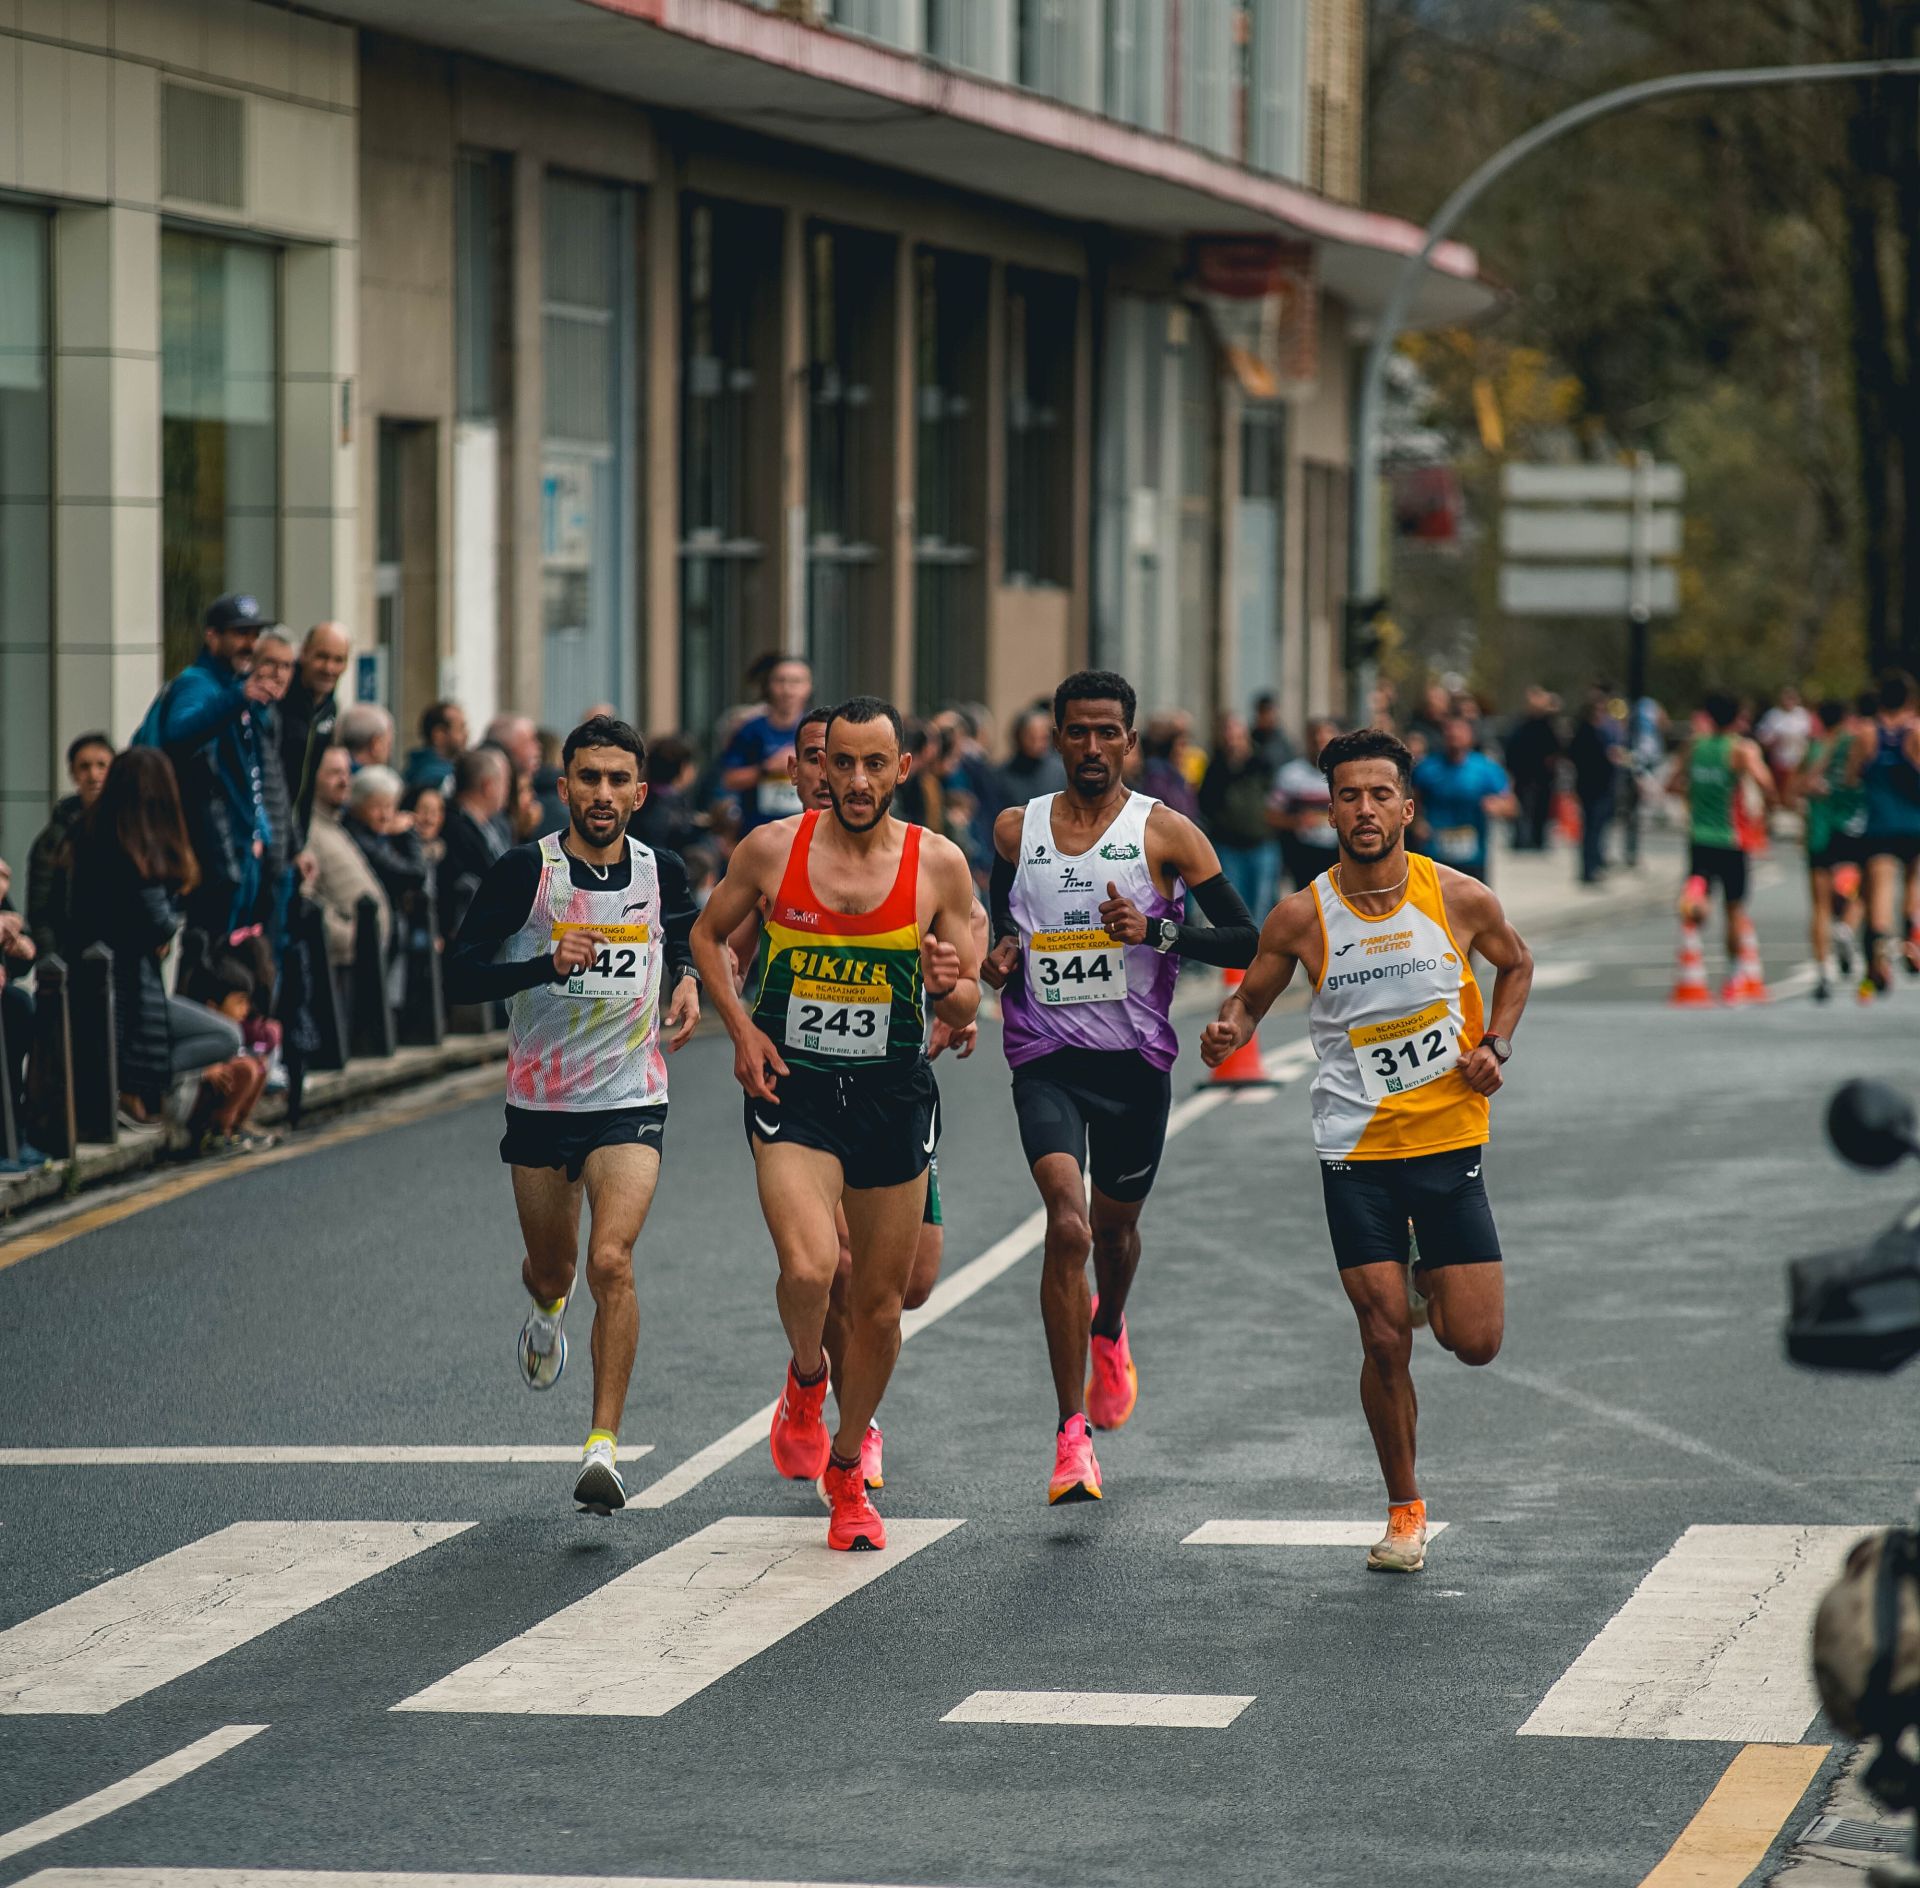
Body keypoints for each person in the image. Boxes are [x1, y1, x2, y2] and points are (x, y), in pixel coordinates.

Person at [1202, 727, 1533, 1574]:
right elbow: (1252, 998)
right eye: (1348, 795)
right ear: (1330, 810)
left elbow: (1517, 964)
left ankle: (1429, 1278)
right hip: (1355, 1150)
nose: (1364, 809)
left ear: (1407, 808)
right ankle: (1404, 1510)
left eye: (1380, 794)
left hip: (1449, 1141)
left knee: (1475, 1341)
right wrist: (1228, 1027)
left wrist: (1495, 1044)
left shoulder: (1458, 897)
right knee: (1384, 1337)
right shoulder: (1301, 916)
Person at [691, 696, 981, 1553]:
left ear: (902, 770)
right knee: (812, 1268)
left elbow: (968, 998)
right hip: (798, 1091)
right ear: (818, 766)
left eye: (873, 765)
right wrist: (742, 1030)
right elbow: (706, 937)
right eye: (840, 762)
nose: (855, 780)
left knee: (885, 1307)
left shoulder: (938, 865)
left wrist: (948, 984)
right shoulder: (772, 850)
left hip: (892, 1098)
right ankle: (807, 1378)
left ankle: (849, 1467)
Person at [982, 671, 1259, 1505]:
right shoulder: (1016, 829)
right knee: (1066, 1227)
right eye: (1078, 731)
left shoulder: (1167, 833)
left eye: (1109, 732)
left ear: (1131, 742)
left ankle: (1109, 1325)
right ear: (1057, 736)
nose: (1093, 747)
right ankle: (1072, 1436)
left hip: (1135, 1066)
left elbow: (1243, 935)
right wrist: (1001, 952)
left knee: (1114, 1233)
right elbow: (1003, 918)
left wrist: (1158, 930)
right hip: (1046, 1060)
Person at [445, 715, 702, 1515]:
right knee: (555, 1269)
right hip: (541, 1102)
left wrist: (690, 979)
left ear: (639, 793)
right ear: (563, 788)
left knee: (612, 1261)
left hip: (630, 1095)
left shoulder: (662, 870)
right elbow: (458, 974)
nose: (602, 793)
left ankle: (602, 1447)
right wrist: (541, 965)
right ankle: (545, 1308)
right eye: (588, 778)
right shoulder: (527, 871)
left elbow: (686, 933)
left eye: (617, 780)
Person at [67, 748, 244, 1129]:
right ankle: (144, 1083)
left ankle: (140, 1086)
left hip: (116, 979)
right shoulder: (137, 852)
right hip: (132, 982)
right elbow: (158, 922)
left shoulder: (88, 834)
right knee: (225, 1035)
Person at [139, 592, 278, 955]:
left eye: (254, 634)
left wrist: (261, 830)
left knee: (235, 954)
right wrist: (236, 698)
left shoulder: (235, 687)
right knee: (209, 953)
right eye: (239, 633)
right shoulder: (198, 683)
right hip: (211, 851)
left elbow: (250, 770)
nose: (249, 643)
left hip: (239, 846)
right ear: (212, 637)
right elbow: (179, 732)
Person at [1668, 692, 1775, 977]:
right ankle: (1735, 971)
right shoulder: (1741, 750)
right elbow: (1766, 784)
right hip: (1732, 838)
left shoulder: (1694, 746)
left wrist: (1693, 794)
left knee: (1700, 888)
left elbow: (1672, 783)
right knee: (1734, 909)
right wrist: (1767, 812)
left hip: (1699, 836)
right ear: (1737, 718)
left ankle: (1694, 905)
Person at [1849, 671, 1920, 998]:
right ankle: (1912, 939)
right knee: (1913, 883)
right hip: (1914, 822)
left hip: (1879, 824)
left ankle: (1878, 955)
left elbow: (1851, 777)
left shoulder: (1866, 733)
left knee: (1880, 889)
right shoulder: (1916, 731)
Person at [1799, 697, 1869, 1003]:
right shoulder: (1854, 744)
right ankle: (1847, 928)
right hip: (1850, 829)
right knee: (1862, 890)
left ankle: (1823, 970)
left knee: (1820, 906)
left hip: (1818, 833)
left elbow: (1795, 789)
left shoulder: (1814, 749)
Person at [26, 731, 113, 961]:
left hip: (122, 959)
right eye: (84, 767)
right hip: (71, 957)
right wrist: (50, 960)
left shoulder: (129, 829)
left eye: (102, 765)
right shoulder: (54, 838)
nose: (93, 775)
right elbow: (40, 911)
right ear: (73, 774)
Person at [304, 746, 391, 968]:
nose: (344, 781)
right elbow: (307, 900)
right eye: (334, 773)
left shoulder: (336, 826)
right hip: (339, 967)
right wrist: (352, 938)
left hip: (362, 963)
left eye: (347, 772)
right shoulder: (308, 831)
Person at [1411, 715, 1516, 885]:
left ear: (1471, 736)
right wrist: (1417, 823)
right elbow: (1412, 801)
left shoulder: (1485, 769)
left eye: (1460, 731)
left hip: (1473, 857)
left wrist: (1498, 806)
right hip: (1433, 854)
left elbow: (1512, 806)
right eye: (1450, 731)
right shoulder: (1427, 768)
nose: (1454, 736)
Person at [719, 655, 813, 838]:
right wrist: (767, 768)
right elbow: (729, 779)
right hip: (758, 830)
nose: (787, 690)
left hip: (806, 831)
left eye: (796, 682)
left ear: (808, 687)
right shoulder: (750, 730)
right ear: (769, 685)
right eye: (780, 681)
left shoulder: (818, 729)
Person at [1198, 712, 1280, 918]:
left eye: (1237, 736)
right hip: (1228, 846)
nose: (1233, 742)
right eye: (1228, 737)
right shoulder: (1215, 766)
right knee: (1235, 907)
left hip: (1261, 844)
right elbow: (1205, 801)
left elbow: (1275, 798)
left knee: (1262, 905)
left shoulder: (1262, 762)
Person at [280, 622, 349, 834]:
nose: (329, 668)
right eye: (322, 657)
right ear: (304, 653)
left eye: (338, 660)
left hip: (298, 827)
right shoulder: (280, 696)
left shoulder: (330, 708)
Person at [441, 746, 511, 939]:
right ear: (488, 786)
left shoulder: (491, 824)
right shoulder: (454, 828)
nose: (507, 791)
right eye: (505, 782)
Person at [1273, 717, 1341, 894]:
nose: (1320, 744)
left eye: (1325, 738)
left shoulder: (1345, 773)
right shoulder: (1291, 774)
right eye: (1315, 738)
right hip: (1303, 853)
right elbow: (1271, 814)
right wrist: (1296, 822)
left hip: (1339, 852)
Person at [1568, 689, 1627, 886]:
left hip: (1597, 786)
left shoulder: (1600, 731)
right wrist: (1609, 757)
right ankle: (1589, 867)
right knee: (1592, 829)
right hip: (1592, 787)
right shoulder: (1587, 732)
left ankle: (1595, 864)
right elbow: (1582, 757)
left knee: (1597, 828)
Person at [1503, 688, 1561, 852]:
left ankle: (1537, 839)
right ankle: (1521, 839)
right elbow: (1511, 749)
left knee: (1541, 808)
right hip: (1523, 774)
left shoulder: (1548, 725)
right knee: (1522, 808)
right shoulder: (1521, 725)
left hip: (1542, 776)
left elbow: (1556, 749)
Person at [1000, 705, 1069, 803]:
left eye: (1042, 738)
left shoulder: (1062, 772)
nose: (1036, 744)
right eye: (1031, 738)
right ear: (1018, 737)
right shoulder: (1001, 776)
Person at [1758, 684, 1814, 804]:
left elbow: (1808, 736)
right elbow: (1763, 736)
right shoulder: (1773, 715)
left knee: (1791, 790)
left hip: (1796, 758)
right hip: (1777, 758)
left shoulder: (1802, 715)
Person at [403, 701, 468, 797]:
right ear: (439, 734)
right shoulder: (433, 778)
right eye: (460, 728)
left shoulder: (417, 767)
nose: (466, 734)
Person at [337, 702, 395, 771]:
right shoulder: (379, 776)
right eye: (388, 745)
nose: (390, 753)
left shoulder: (331, 773)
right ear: (376, 745)